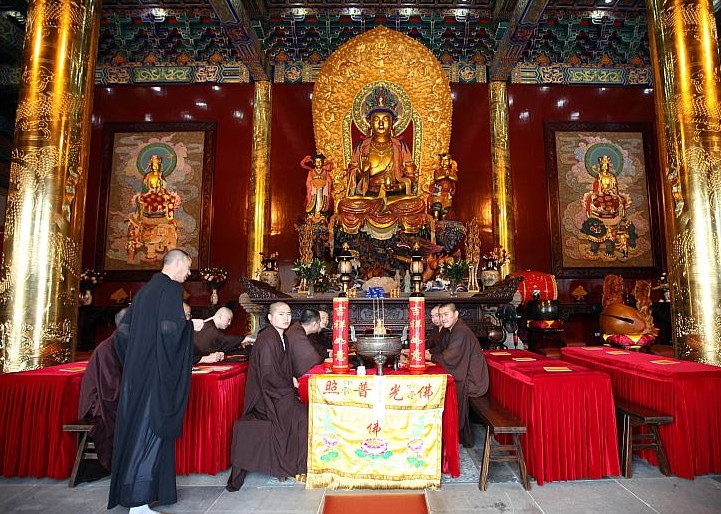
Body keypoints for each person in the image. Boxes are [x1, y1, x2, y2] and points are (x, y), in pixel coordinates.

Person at [108, 249, 194, 513]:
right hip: (156, 376)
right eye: (188, 267)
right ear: (177, 263)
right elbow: (171, 332)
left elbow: (122, 333)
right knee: (150, 432)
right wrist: (191, 327)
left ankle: (142, 495)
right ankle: (138, 501)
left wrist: (135, 360)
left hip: (137, 374)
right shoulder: (170, 290)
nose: (189, 274)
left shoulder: (145, 291)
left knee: (137, 430)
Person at [227, 302, 309, 491]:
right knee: (301, 417)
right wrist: (289, 388)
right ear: (271, 318)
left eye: (288, 314)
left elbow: (284, 367)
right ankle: (291, 466)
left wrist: (292, 380)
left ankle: (295, 464)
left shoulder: (283, 338)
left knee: (303, 412)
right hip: (267, 397)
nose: (286, 318)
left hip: (280, 391)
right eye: (281, 314)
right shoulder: (266, 339)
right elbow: (268, 374)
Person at [427, 302, 489, 448]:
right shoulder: (451, 330)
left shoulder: (460, 331)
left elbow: (450, 358)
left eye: (446, 314)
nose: (443, 318)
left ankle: (451, 433)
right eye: (440, 315)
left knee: (448, 388)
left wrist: (429, 357)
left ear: (456, 315)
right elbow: (439, 349)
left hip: (473, 380)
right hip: (465, 373)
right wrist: (428, 354)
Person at [77, 307, 127, 473]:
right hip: (100, 403)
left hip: (113, 395)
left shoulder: (121, 344)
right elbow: (111, 388)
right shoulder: (107, 348)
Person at [346, 107, 417, 198]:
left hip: (394, 195)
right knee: (346, 205)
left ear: (392, 123)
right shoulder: (362, 146)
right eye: (376, 120)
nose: (381, 124)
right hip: (368, 194)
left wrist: (398, 187)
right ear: (370, 123)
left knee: (416, 203)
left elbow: (411, 176)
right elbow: (351, 177)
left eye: (386, 120)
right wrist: (361, 171)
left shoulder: (400, 146)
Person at [286, 308, 324, 377]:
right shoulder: (297, 335)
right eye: (319, 322)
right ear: (314, 324)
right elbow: (313, 360)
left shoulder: (297, 328)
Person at [428, 153, 458, 220]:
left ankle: (443, 219)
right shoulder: (438, 170)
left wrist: (449, 176)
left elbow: (455, 179)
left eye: (446, 161)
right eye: (442, 160)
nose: (444, 163)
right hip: (439, 191)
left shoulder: (452, 171)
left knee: (445, 207)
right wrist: (445, 176)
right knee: (437, 205)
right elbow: (437, 178)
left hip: (447, 193)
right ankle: (435, 218)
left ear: (450, 162)